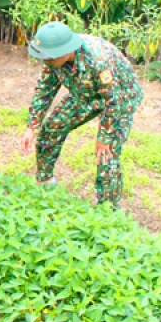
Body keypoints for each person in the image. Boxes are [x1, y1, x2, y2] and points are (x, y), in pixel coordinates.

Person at [20, 21, 143, 207]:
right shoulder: (53, 59)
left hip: (121, 97)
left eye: (48, 58)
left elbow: (113, 100)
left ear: (66, 51)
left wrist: (104, 136)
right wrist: (32, 126)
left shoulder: (98, 60)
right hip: (85, 93)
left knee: (107, 153)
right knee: (52, 127)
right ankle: (45, 182)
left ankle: (108, 209)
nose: (45, 62)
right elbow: (44, 90)